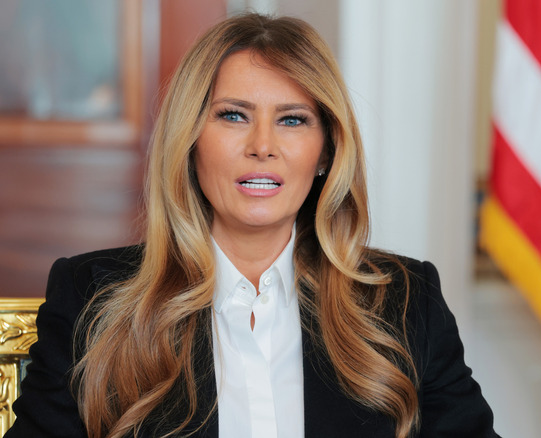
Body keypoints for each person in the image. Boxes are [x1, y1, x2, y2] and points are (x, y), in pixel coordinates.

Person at [7, 13, 498, 438]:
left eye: (292, 120)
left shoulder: (407, 301)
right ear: (190, 138)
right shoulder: (92, 297)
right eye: (234, 115)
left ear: (326, 149)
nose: (262, 145)